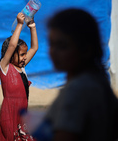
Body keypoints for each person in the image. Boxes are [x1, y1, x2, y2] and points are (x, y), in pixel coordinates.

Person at [32, 8, 118, 141]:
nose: (53, 52)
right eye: (51, 44)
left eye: (62, 45)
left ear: (86, 49)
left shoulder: (78, 89)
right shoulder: (98, 82)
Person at [0, 12, 38, 141]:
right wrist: (19, 24)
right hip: (9, 114)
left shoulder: (22, 68)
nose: (25, 57)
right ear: (11, 54)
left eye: (25, 54)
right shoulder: (5, 67)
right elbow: (12, 46)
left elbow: (34, 48)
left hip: (22, 113)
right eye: (22, 54)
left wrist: (32, 27)